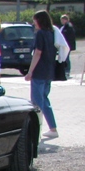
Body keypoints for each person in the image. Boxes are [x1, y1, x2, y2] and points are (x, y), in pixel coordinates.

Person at [25, 10, 59, 139]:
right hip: (49, 71)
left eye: (35, 21)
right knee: (44, 101)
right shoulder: (52, 33)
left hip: (39, 72)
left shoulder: (40, 34)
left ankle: (35, 130)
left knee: (36, 103)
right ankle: (53, 128)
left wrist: (30, 71)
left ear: (39, 21)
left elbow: (37, 53)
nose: (34, 23)